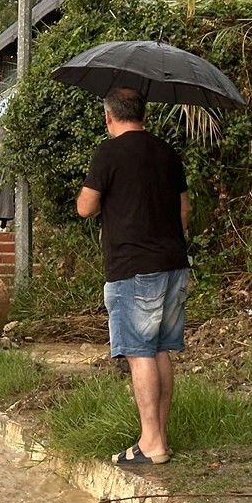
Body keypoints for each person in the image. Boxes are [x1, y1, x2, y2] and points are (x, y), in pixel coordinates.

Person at [77, 87, 189, 467]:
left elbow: (85, 208)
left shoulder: (108, 153)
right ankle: (159, 435)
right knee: (159, 349)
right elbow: (183, 211)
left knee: (139, 352)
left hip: (132, 269)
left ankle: (151, 443)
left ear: (109, 117)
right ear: (144, 114)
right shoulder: (167, 153)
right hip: (174, 263)